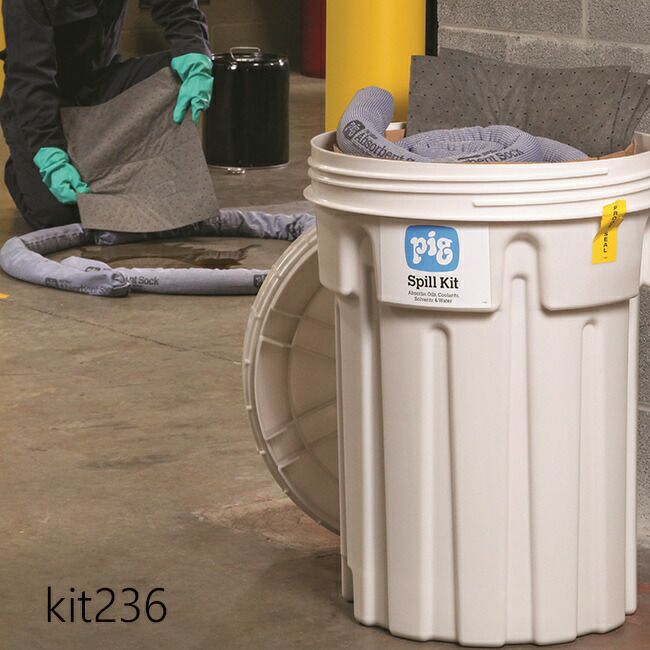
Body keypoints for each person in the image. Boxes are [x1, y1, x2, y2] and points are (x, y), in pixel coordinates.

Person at [0, 0, 214, 230]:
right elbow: (30, 75)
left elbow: (177, 6)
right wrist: (47, 150)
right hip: (40, 103)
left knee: (181, 74)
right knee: (59, 214)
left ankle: (108, 162)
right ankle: (22, 168)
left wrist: (194, 50)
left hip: (99, 85)